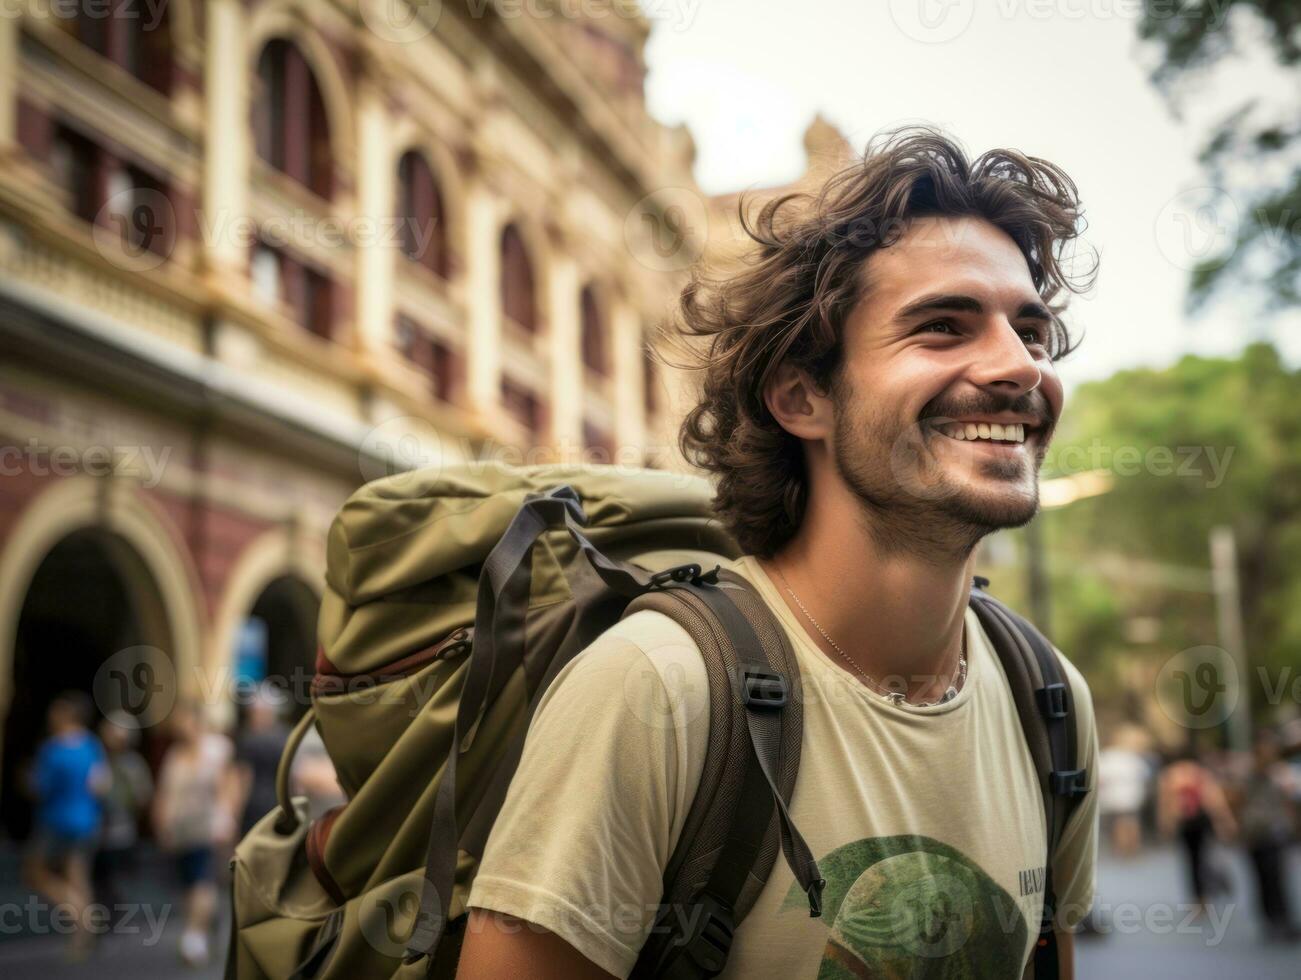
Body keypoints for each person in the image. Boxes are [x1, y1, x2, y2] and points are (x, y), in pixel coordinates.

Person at [457, 126, 1100, 978]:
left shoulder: (1049, 701)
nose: (1018, 367)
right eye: (942, 327)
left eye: (1031, 331)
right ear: (801, 396)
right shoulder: (654, 692)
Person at [153, 701, 239, 967]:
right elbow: (165, 794)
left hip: (209, 827)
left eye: (185, 721)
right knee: (189, 884)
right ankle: (202, 927)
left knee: (204, 881)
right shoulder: (174, 755)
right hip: (181, 830)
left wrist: (227, 818)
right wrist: (162, 824)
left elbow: (230, 784)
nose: (181, 727)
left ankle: (194, 936)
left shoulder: (218, 749)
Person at [23, 691, 107, 960]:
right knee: (77, 876)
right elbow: (100, 785)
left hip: (56, 821)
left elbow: (39, 787)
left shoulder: (53, 749)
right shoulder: (91, 746)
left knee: (35, 873)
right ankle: (81, 936)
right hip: (86, 820)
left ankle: (81, 916)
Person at [1157, 746, 1237, 918]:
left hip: (1185, 821)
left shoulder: (1171, 774)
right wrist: (1225, 821)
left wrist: (1166, 823)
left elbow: (1166, 801)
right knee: (1206, 856)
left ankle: (1198, 900)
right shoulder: (1200, 773)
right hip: (1202, 820)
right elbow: (1214, 799)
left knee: (1191, 861)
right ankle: (1208, 892)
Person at [1238, 730, 1299, 941]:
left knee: (1278, 877)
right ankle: (1270, 920)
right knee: (1262, 877)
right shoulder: (1248, 772)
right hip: (1255, 831)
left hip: (1276, 830)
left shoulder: (1280, 772)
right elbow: (1237, 800)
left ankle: (1283, 919)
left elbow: (1290, 799)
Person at [93, 712, 153, 918]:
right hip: (95, 829)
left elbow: (143, 796)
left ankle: (114, 915)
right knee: (98, 877)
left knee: (115, 876)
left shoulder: (133, 765)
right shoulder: (97, 758)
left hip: (121, 830)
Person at [233, 684, 290, 837]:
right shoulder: (286, 737)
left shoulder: (249, 739)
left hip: (256, 809)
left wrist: (234, 815)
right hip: (279, 806)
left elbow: (242, 778)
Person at [1097, 733, 1152, 857]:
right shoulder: (1131, 756)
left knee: (1119, 823)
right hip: (1132, 797)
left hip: (1114, 798)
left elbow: (1100, 779)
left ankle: (1121, 847)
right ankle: (1133, 847)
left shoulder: (1105, 757)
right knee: (1132, 822)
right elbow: (1146, 774)